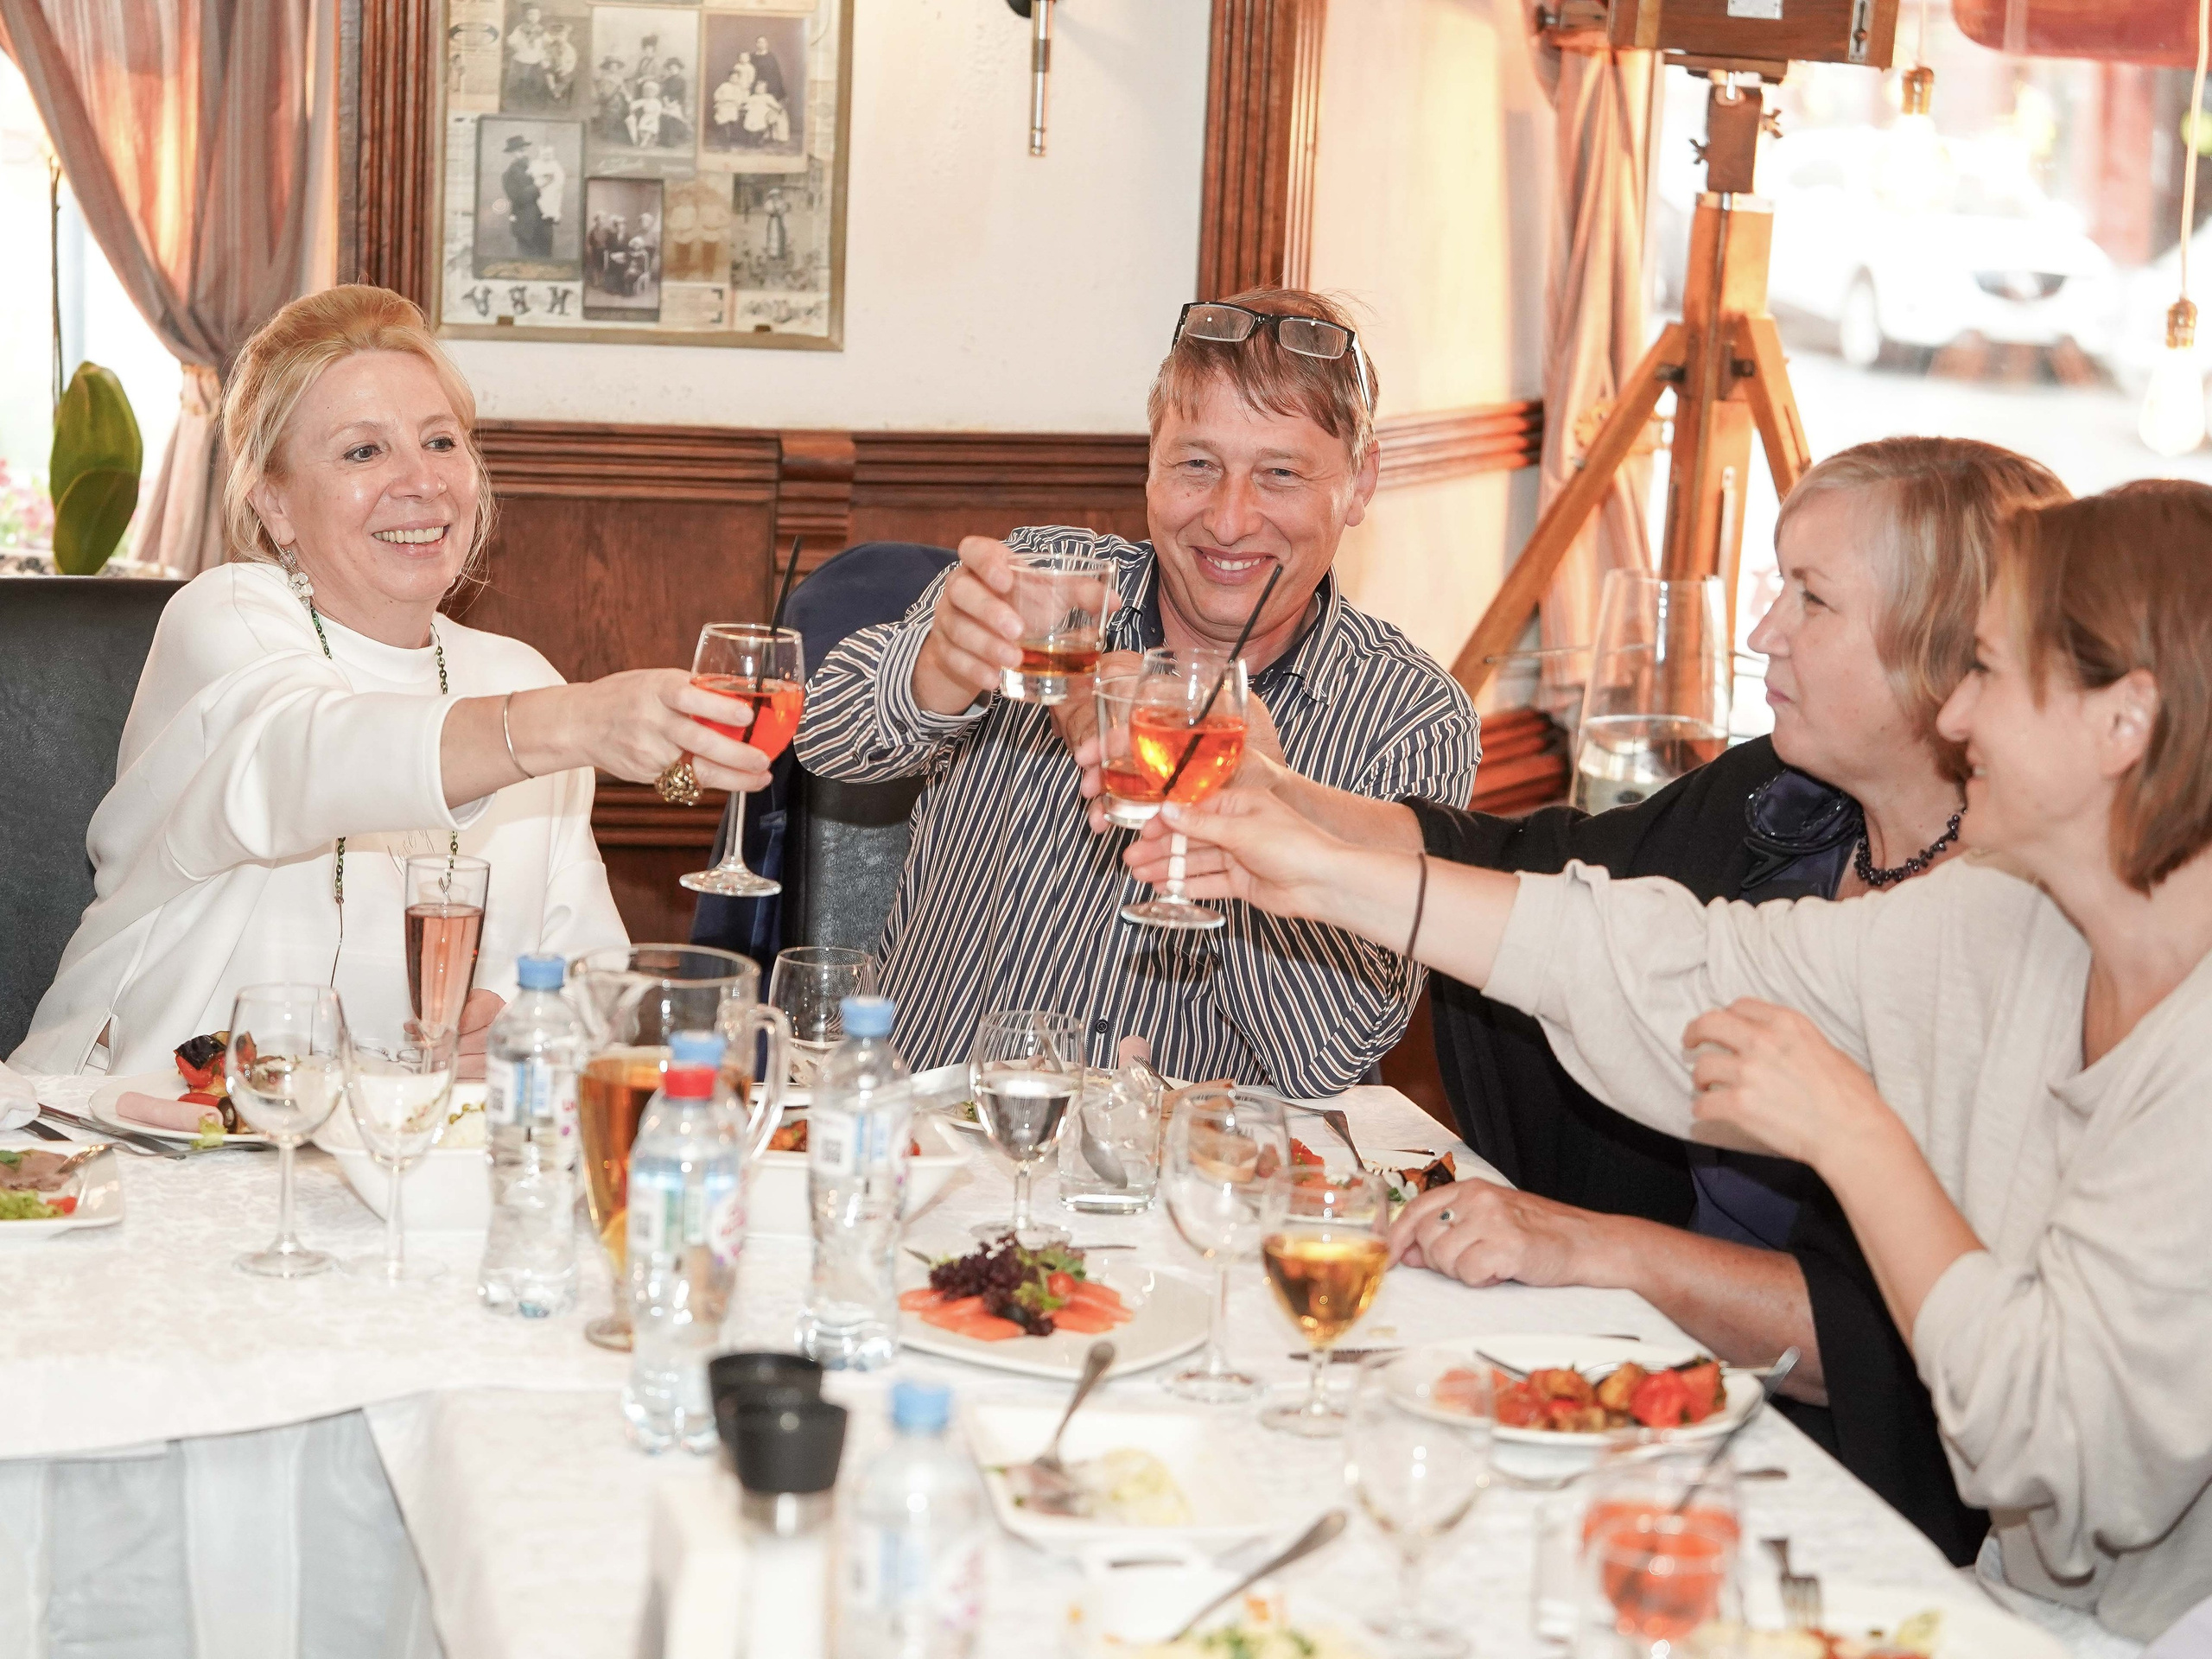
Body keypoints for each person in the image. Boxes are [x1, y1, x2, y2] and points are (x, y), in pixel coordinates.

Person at [1159, 480, 2212, 1640]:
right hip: (2009, 1601)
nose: (1955, 720)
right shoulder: (2006, 920)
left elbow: (2062, 1453)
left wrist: (1854, 1138)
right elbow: (1675, 969)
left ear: (2126, 720)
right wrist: (1317, 872)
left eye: (1992, 675)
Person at [13, 286, 776, 1078]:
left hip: (398, 1149)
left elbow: (591, 975)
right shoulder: (224, 617)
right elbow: (306, 758)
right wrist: (570, 723)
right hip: (140, 1132)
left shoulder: (514, 675)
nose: (422, 482)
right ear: (275, 504)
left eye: (441, 442)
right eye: (363, 452)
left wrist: (534, 1030)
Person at [793, 287, 1479, 1092]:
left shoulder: (1409, 718)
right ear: (1150, 460)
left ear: (1360, 484)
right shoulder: (1051, 585)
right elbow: (825, 740)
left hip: (1158, 1186)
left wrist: (1242, 804)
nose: (1228, 520)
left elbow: (1328, 1055)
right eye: (1197, 464)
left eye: (1281, 474)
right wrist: (940, 667)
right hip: (922, 1141)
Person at [499, 134, 551, 261]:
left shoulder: (535, 169)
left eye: (525, 150)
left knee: (547, 260)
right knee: (528, 261)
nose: (524, 154)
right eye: (519, 151)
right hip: (525, 225)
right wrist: (538, 185)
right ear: (511, 154)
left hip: (543, 222)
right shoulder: (508, 175)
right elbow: (518, 198)